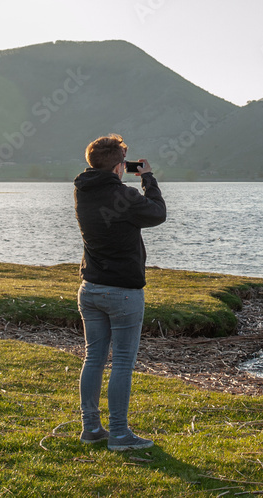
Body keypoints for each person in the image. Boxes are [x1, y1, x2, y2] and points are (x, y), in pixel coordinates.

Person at [73, 134, 166, 451]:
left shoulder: (81, 191)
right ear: (118, 166)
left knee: (94, 358)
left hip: (90, 288)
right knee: (123, 362)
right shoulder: (124, 195)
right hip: (123, 292)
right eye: (124, 164)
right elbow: (157, 213)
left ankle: (91, 429)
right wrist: (148, 178)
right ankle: (120, 435)